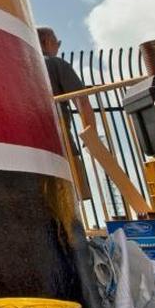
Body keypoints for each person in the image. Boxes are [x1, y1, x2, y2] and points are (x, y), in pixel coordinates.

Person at [38, 26, 96, 200]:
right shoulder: (56, 64)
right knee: (73, 198)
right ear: (48, 42)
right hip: (63, 143)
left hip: (33, 146)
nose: (58, 47)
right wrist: (90, 135)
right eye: (58, 43)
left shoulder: (20, 65)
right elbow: (82, 101)